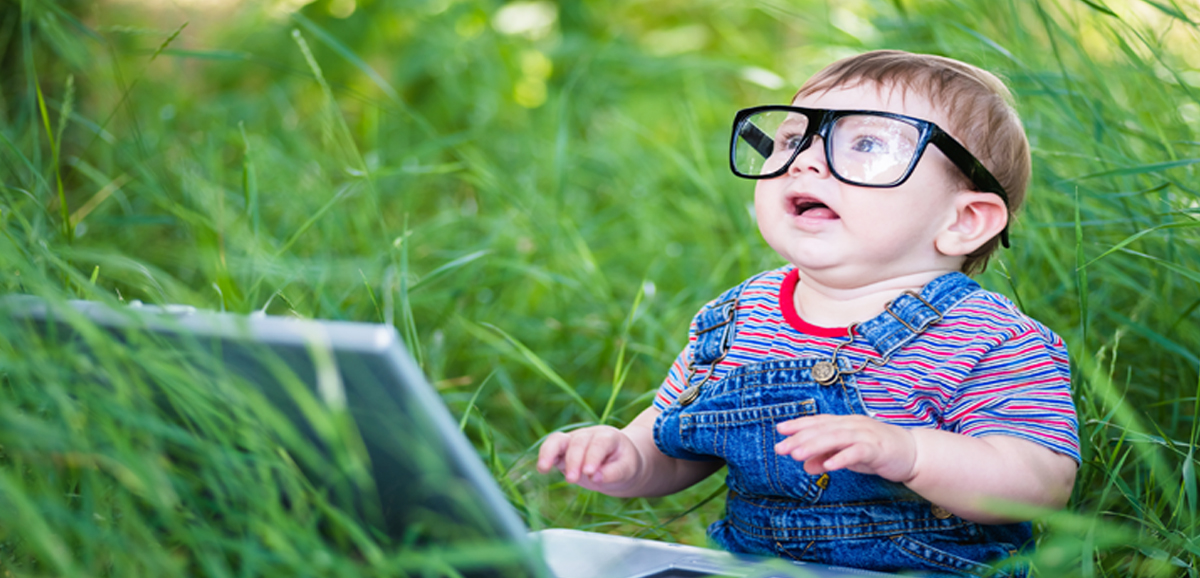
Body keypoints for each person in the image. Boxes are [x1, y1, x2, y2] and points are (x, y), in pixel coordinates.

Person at [536, 50, 1079, 577]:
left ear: (963, 221)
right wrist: (625, 457)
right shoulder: (737, 319)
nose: (806, 159)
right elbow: (675, 447)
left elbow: (1037, 483)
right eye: (794, 138)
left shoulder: (989, 337)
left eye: (865, 142)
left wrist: (910, 452)